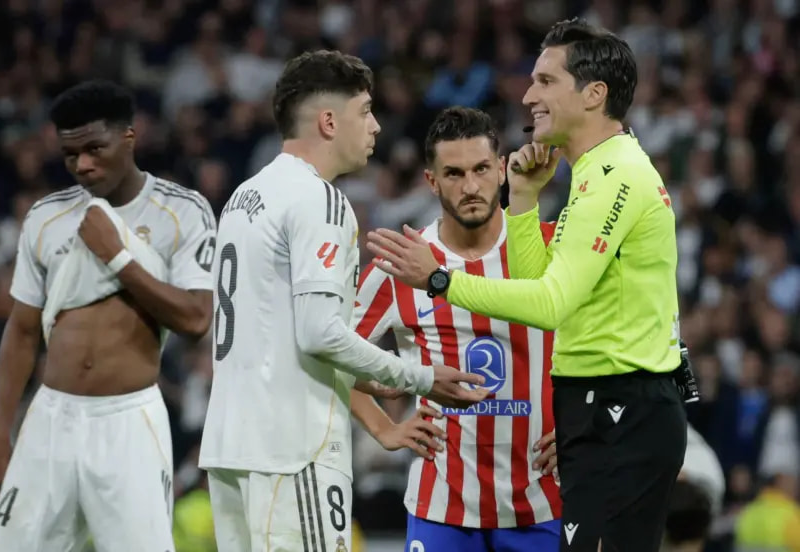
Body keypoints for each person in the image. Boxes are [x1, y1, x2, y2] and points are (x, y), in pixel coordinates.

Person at [366, 18, 688, 552]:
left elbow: (549, 303)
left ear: (594, 94)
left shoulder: (616, 177)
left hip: (622, 409)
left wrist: (440, 280)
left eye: (545, 81)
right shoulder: (593, 174)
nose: (528, 95)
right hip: (598, 409)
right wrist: (523, 201)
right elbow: (536, 281)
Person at [197, 50, 487, 552]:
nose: (376, 126)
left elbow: (283, 336)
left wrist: (373, 399)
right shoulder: (319, 199)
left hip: (231, 446)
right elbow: (320, 333)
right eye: (365, 111)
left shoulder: (245, 195)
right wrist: (420, 377)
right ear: (329, 122)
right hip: (294, 451)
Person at [0, 80, 215, 551]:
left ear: (129, 136)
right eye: (70, 154)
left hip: (129, 421)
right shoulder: (46, 216)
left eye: (94, 149)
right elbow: (22, 332)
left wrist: (119, 257)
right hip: (50, 418)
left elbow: (195, 319)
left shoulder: (182, 211)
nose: (82, 165)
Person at [351, 106, 562, 552]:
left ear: (501, 170)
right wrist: (384, 428)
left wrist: (585, 427)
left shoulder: (548, 249)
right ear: (431, 181)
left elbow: (609, 347)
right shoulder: (401, 265)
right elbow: (330, 352)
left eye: (481, 169)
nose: (470, 186)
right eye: (454, 173)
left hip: (543, 504)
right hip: (441, 509)